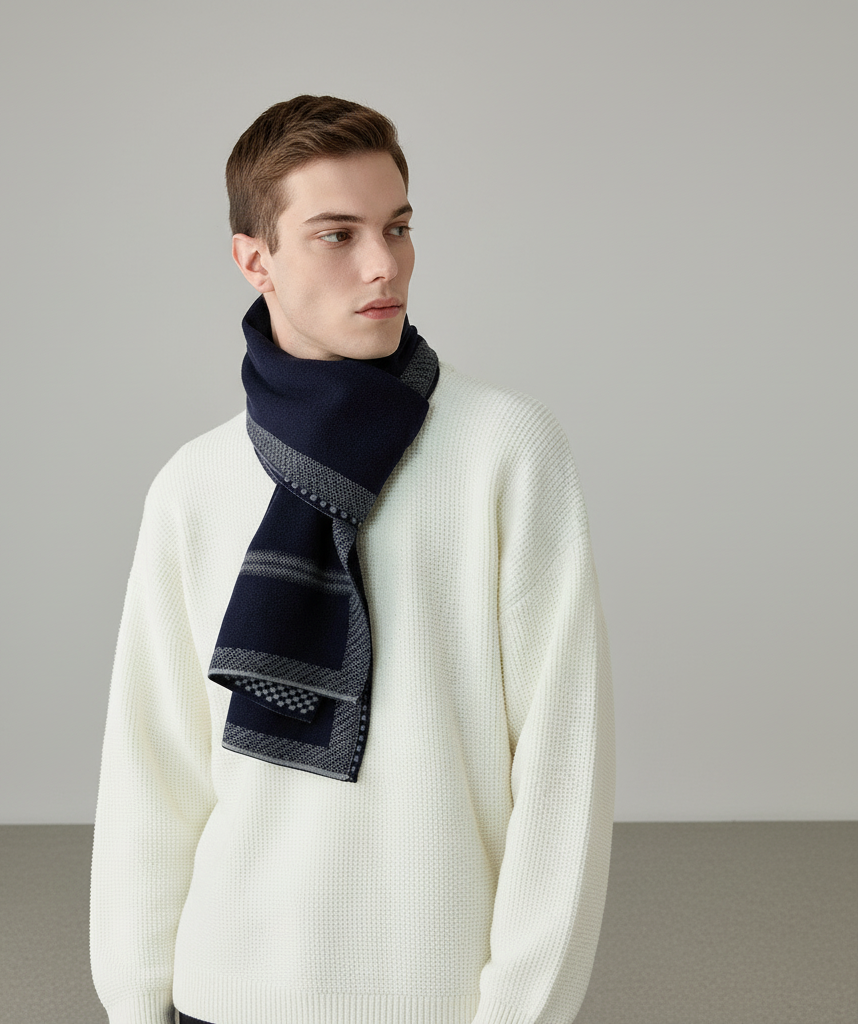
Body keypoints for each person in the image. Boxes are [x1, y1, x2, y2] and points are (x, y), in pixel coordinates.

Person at [89, 94, 615, 1024]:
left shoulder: (506, 451)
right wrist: (136, 1005)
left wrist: (522, 1011)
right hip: (224, 991)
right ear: (255, 259)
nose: (384, 264)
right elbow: (152, 775)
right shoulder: (195, 485)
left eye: (398, 228)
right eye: (337, 234)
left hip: (440, 1000)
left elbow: (564, 766)